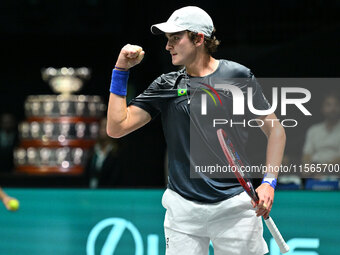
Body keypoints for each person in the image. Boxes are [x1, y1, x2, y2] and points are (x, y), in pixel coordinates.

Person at [107, 6, 286, 255]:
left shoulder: (237, 76)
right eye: (167, 40)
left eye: (175, 38)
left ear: (199, 38)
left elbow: (276, 131)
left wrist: (268, 183)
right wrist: (121, 70)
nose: (168, 46)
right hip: (183, 211)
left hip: (235, 208)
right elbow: (116, 127)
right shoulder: (167, 84)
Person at [302, 92, 340, 189]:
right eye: (328, 105)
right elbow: (307, 154)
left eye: (336, 105)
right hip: (315, 176)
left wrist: (322, 169)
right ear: (322, 109)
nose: (333, 109)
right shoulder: (314, 130)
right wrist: (307, 169)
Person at [85, 118, 122, 188]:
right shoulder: (92, 151)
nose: (102, 130)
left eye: (105, 126)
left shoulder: (116, 153)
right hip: (89, 193)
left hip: (108, 194)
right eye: (100, 126)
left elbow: (116, 178)